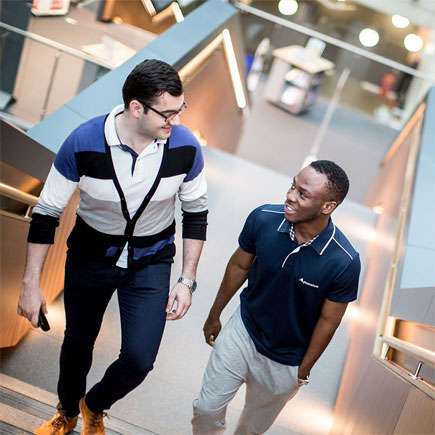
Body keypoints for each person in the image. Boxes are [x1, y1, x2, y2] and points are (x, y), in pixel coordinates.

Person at [17, 59, 208, 434]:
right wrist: (30, 283)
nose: (177, 121)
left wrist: (187, 280)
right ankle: (68, 411)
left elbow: (196, 214)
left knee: (139, 360)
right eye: (168, 113)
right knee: (77, 344)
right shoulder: (83, 142)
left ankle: (95, 404)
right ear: (136, 107)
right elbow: (46, 213)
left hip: (152, 259)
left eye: (179, 110)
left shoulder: (184, 146)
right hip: (90, 257)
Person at [192, 160, 360, 434]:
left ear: (328, 206)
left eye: (303, 194)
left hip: (286, 361)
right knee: (206, 409)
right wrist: (214, 315)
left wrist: (302, 371)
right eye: (293, 185)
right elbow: (239, 266)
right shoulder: (264, 218)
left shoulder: (343, 260)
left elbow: (329, 321)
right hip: (244, 331)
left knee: (251, 430)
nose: (290, 196)